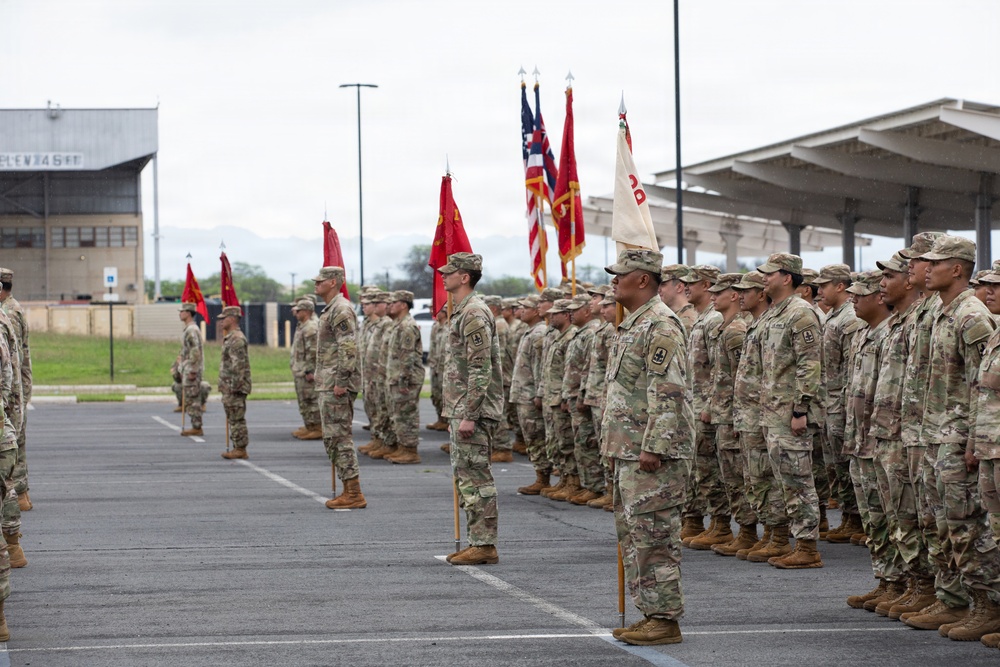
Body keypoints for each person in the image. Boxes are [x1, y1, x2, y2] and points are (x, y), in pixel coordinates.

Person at [905, 235, 1000, 638]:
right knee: (941, 524)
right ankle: (955, 598)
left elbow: (983, 387)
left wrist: (974, 440)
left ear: (957, 269)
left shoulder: (970, 315)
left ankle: (987, 605)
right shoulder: (943, 311)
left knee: (966, 525)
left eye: (935, 263)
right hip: (936, 433)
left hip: (959, 438)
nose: (926, 269)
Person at [603, 248, 693, 646]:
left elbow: (668, 391)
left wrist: (654, 446)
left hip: (653, 454)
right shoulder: (633, 324)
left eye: (620, 274)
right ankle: (650, 612)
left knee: (655, 538)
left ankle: (665, 619)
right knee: (636, 536)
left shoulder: (660, 325)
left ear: (642, 279)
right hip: (629, 450)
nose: (613, 280)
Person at [756, 252, 824, 569]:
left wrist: (800, 409)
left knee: (799, 480)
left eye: (770, 273)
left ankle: (808, 548)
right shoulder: (774, 313)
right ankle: (792, 541)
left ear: (787, 278)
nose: (764, 278)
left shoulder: (800, 313)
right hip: (773, 412)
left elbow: (809, 365)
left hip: (789, 414)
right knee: (785, 481)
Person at [439, 253, 504, 566]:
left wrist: (470, 413)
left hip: (472, 410)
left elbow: (480, 368)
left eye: (449, 272)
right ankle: (477, 541)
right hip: (463, 407)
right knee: (466, 477)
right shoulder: (463, 310)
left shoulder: (474, 312)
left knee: (476, 478)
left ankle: (484, 544)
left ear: (464, 277)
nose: (443, 276)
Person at [814, 264, 863, 542]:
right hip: (829, 402)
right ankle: (848, 516)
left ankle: (855, 517)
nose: (819, 290)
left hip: (841, 403)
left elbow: (850, 366)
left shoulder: (849, 319)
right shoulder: (833, 316)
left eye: (825, 285)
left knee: (845, 463)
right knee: (835, 464)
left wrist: (846, 406)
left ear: (840, 286)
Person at [678, 265, 725, 546]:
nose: (686, 287)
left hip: (707, 407)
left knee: (710, 470)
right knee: (700, 469)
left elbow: (720, 369)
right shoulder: (702, 318)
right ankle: (702, 522)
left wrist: (710, 405)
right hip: (695, 404)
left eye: (691, 283)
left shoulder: (713, 319)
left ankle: (721, 525)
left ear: (706, 285)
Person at [314, 266, 366, 510]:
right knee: (332, 437)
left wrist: (341, 382)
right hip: (329, 381)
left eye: (320, 281)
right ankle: (349, 489)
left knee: (339, 437)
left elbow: (348, 347)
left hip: (336, 383)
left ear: (333, 282)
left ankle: (354, 492)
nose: (316, 284)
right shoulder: (332, 308)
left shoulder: (341, 309)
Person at [509, 296, 551, 494]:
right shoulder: (531, 331)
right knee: (531, 436)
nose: (521, 310)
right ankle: (540, 475)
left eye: (525, 307)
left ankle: (543, 477)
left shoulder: (539, 333)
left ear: (535, 311)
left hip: (530, 394)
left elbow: (540, 366)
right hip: (523, 392)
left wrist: (539, 393)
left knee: (536, 436)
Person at [541, 299, 580, 501]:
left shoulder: (571, 336)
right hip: (553, 396)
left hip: (561, 397)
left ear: (566, 315)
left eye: (555, 313)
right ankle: (565, 479)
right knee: (558, 441)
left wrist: (566, 396)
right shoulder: (559, 336)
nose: (551, 316)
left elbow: (570, 371)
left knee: (567, 441)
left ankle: (573, 482)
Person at [0, 269, 30, 513]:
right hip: (16, 386)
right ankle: (20, 495)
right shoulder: (13, 308)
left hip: (10, 389)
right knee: (15, 441)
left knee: (10, 443)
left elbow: (10, 357)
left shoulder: (8, 312)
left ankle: (17, 496)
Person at [384, 290, 424, 464]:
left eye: (394, 302)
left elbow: (407, 356)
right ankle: (402, 447)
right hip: (397, 377)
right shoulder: (398, 324)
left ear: (403, 305)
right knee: (399, 415)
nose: (390, 305)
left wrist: (403, 380)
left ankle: (410, 451)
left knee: (407, 415)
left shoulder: (407, 326)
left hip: (406, 379)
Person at [218, 306, 252, 460]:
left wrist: (235, 387)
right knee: (233, 417)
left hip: (234, 387)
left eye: (223, 318)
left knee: (237, 418)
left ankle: (240, 448)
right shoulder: (231, 337)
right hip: (229, 386)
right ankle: (237, 446)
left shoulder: (236, 339)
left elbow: (238, 366)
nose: (221, 322)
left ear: (232, 319)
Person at [289, 298, 321, 440]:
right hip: (300, 369)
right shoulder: (303, 326)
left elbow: (313, 351)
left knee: (311, 400)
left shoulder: (310, 327)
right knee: (304, 401)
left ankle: (318, 427)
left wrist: (310, 370)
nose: (296, 313)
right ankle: (310, 426)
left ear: (306, 311)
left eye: (299, 310)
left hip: (306, 370)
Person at [178, 303, 205, 437]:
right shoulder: (189, 329)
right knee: (190, 398)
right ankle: (195, 425)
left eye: (182, 311)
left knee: (192, 399)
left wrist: (193, 370)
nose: (180, 314)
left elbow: (195, 350)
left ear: (188, 313)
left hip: (191, 370)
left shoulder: (191, 330)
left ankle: (197, 426)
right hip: (188, 368)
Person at [427, 306, 449, 432]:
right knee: (436, 394)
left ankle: (447, 421)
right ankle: (440, 419)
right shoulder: (435, 327)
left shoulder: (450, 326)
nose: (432, 311)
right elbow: (433, 346)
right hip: (435, 366)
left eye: (435, 309)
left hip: (446, 367)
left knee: (446, 395)